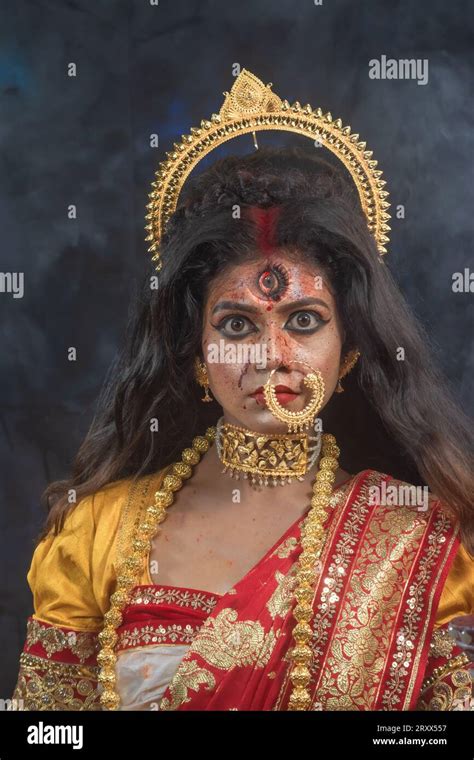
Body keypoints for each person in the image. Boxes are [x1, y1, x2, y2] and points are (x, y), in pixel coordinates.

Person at [12, 70, 473, 711]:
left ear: (350, 355)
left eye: (304, 321)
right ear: (195, 354)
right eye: (236, 325)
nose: (270, 356)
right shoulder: (98, 530)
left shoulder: (413, 541)